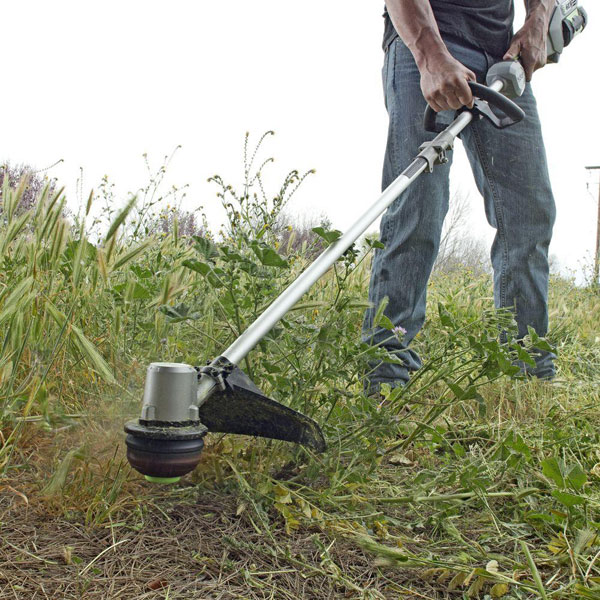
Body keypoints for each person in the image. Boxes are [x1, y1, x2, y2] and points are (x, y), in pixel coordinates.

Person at [363, 0, 557, 393]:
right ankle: (386, 374)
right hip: (430, 38)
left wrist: (539, 20)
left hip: (503, 55)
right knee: (418, 206)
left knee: (528, 213)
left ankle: (527, 373)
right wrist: (430, 54)